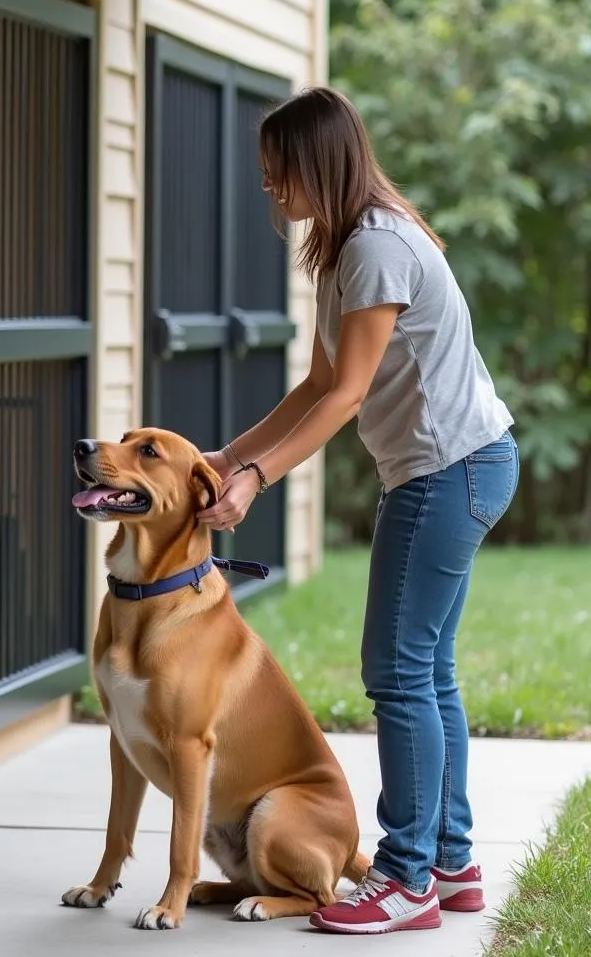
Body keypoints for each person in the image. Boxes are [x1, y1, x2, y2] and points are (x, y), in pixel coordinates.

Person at [197, 86, 518, 935]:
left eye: (278, 173)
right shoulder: (347, 249)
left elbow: (345, 398)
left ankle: (407, 876)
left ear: (317, 164)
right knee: (429, 669)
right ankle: (451, 865)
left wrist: (257, 479)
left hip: (448, 471)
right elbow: (312, 384)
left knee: (399, 671)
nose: (271, 188)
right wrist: (226, 458)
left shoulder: (374, 246)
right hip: (464, 465)